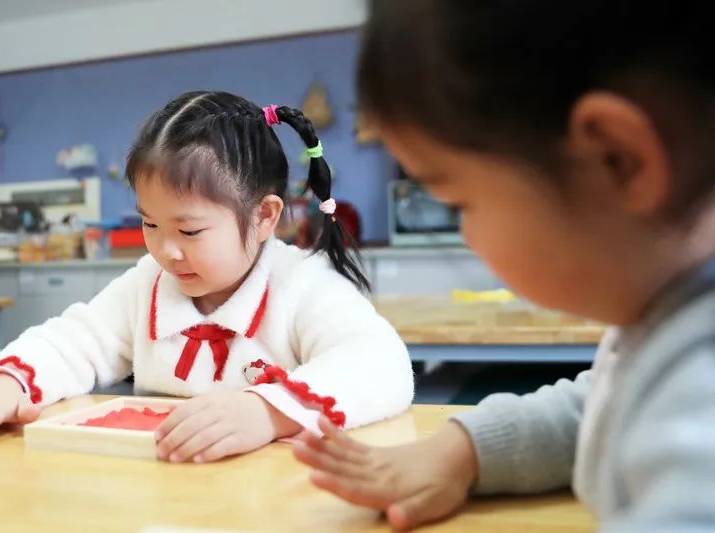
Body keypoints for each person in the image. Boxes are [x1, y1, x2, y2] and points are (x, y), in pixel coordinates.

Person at [293, 1, 715, 530]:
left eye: (459, 202)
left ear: (616, 158)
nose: (464, 234)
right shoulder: (666, 331)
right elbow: (599, 410)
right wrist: (463, 448)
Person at [0, 91, 414, 463]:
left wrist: (268, 410)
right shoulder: (148, 283)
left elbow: (380, 363)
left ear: (265, 216)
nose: (166, 250)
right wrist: (8, 382)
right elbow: (72, 340)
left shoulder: (301, 283)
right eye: (150, 224)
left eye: (190, 229)